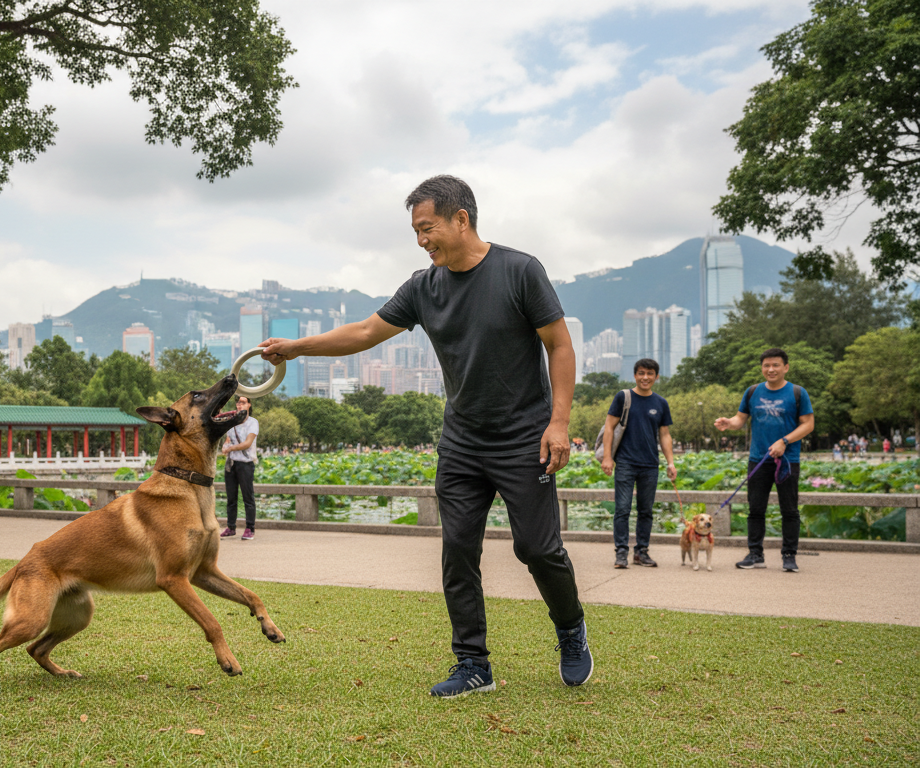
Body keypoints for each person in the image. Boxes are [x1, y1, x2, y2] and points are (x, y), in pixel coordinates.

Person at [261, 175, 590, 696]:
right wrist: (298, 348)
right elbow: (366, 332)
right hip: (461, 441)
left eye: (427, 228)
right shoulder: (423, 286)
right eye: (416, 232)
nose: (421, 240)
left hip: (523, 437)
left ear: (461, 219)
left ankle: (571, 629)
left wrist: (560, 422)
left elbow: (560, 345)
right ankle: (472, 663)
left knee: (537, 549)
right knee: (457, 550)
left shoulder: (520, 271)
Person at [714, 348, 814, 572]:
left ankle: (789, 555)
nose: (771, 369)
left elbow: (808, 424)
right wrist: (728, 423)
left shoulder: (798, 393)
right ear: (762, 368)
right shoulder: (752, 392)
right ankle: (755, 554)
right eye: (766, 365)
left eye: (776, 365)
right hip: (758, 459)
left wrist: (784, 441)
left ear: (785, 367)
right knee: (755, 509)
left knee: (789, 510)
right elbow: (740, 419)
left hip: (787, 460)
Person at [600, 358, 675, 569]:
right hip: (625, 462)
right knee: (622, 509)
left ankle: (642, 552)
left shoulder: (661, 403)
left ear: (656, 377)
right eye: (641, 373)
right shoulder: (623, 397)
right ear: (635, 375)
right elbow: (609, 427)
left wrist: (670, 462)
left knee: (646, 511)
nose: (645, 377)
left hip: (650, 464)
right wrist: (607, 457)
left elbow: (665, 435)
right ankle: (621, 553)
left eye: (650, 374)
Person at [219, 395, 260, 541]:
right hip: (232, 463)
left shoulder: (253, 423)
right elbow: (228, 440)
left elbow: (247, 443)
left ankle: (250, 528)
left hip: (246, 464)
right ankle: (231, 527)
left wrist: (229, 449)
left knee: (248, 497)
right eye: (238, 402)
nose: (239, 405)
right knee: (231, 497)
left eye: (243, 402)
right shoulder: (232, 422)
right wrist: (225, 446)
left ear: (249, 405)